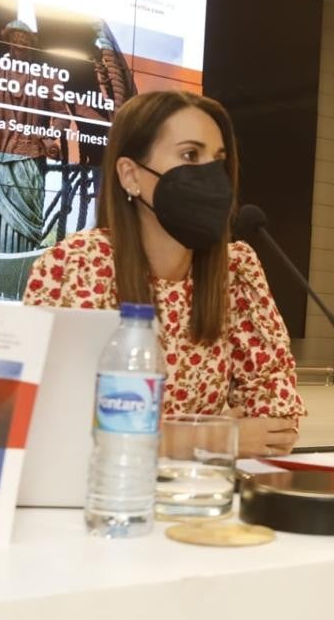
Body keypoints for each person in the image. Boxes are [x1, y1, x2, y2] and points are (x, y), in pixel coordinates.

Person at [23, 91, 305, 457]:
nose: (210, 176)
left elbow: (276, 428)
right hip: (102, 497)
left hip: (203, 500)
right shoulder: (76, 264)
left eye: (217, 161)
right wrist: (210, 438)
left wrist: (143, 435)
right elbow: (52, 426)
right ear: (130, 175)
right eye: (190, 155)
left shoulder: (235, 269)